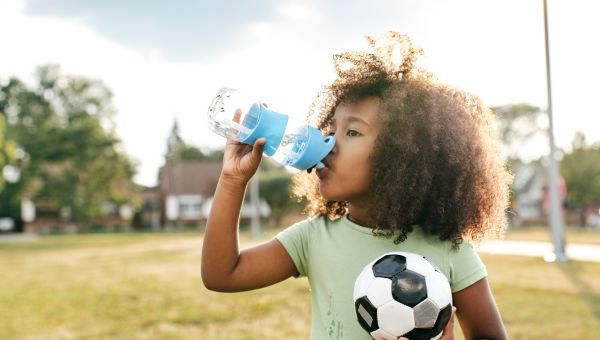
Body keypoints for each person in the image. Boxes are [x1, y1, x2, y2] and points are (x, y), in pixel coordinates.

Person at [202, 32, 511, 339]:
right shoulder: (313, 239)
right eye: (331, 128)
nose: (328, 143)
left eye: (352, 132)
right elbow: (222, 274)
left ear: (400, 155)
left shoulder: (449, 249)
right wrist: (232, 181)